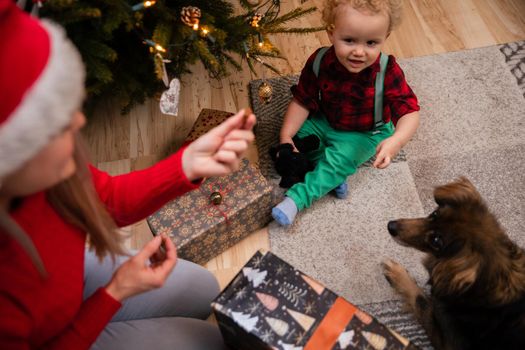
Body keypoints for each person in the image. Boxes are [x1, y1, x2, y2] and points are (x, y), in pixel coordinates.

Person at [0, 2, 256, 349]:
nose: (78, 124)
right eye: (55, 125)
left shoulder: (49, 173)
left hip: (69, 285)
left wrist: (186, 164)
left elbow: (107, 199)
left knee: (203, 288)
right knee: (210, 343)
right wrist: (116, 291)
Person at [271, 0, 420, 226]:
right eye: (349, 40)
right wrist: (286, 138)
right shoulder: (320, 60)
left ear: (386, 37)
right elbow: (302, 100)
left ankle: (297, 199)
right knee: (296, 140)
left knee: (340, 158)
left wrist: (395, 142)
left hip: (367, 132)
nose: (359, 52)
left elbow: (410, 112)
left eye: (371, 43)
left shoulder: (387, 70)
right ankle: (330, 176)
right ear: (331, 32)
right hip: (325, 119)